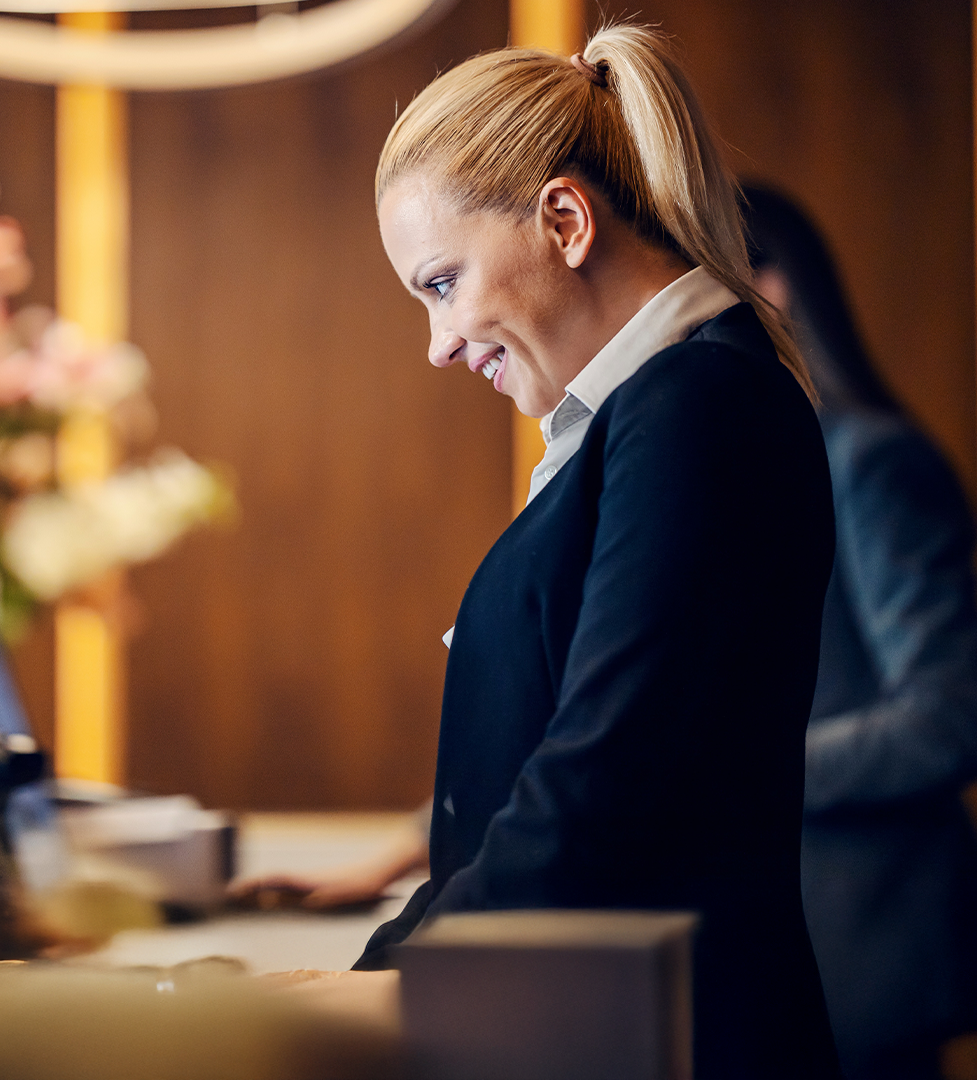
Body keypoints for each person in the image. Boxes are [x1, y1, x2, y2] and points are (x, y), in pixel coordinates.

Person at [354, 25, 841, 1079]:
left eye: (441, 284)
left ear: (565, 220)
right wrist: (379, 968)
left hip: (670, 1038)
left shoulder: (697, 406)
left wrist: (389, 984)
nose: (438, 344)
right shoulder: (657, 410)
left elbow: (604, 783)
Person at [744, 186, 977, 1080]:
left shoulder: (866, 459)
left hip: (865, 943)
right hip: (785, 944)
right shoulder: (744, 461)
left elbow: (954, 713)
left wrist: (748, 775)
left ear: (769, 290)